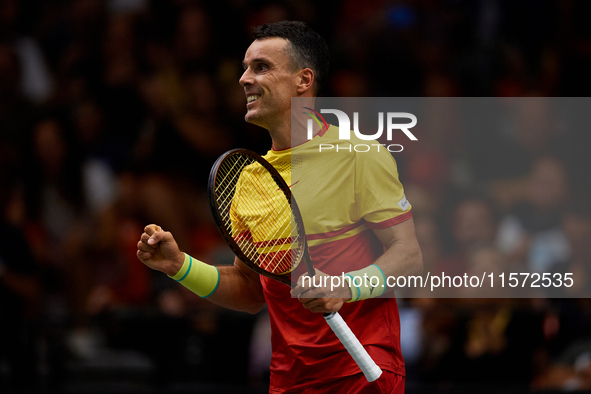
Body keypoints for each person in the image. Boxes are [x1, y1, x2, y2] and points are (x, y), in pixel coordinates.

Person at [137, 21, 422, 393]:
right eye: (244, 67)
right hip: (289, 379)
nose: (243, 79)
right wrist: (180, 266)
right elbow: (249, 290)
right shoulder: (250, 180)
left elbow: (408, 255)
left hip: (361, 372)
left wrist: (345, 286)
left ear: (303, 80)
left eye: (261, 67)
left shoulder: (358, 155)